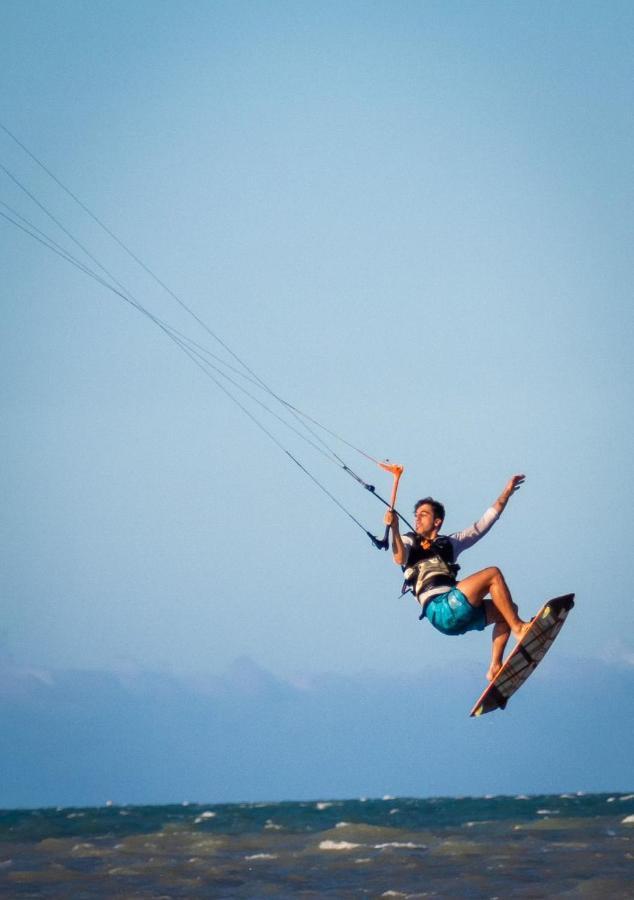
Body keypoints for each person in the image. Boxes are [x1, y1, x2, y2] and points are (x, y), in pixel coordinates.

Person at [385, 475, 531, 681]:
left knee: (508, 610)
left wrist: (506, 492)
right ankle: (519, 629)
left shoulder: (451, 543)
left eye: (423, 515)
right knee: (493, 574)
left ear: (437, 522)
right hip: (439, 608)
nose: (417, 518)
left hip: (454, 611)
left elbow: (483, 524)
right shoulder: (408, 541)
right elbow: (399, 557)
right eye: (416, 515)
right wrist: (395, 528)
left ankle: (495, 668)